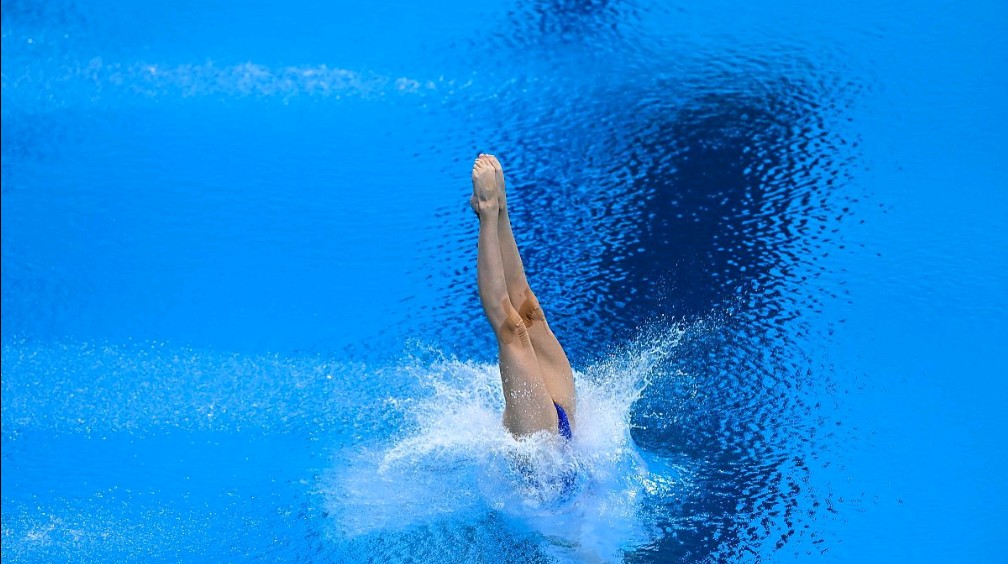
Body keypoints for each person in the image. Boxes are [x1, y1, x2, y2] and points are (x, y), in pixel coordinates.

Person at [470, 154, 576, 440]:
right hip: (561, 439)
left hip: (547, 447)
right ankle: (499, 210)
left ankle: (488, 209)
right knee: (530, 315)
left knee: (513, 329)